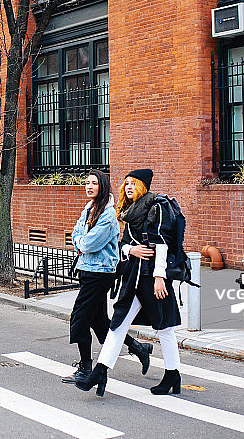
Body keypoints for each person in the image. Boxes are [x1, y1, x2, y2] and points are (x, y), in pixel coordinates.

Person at [76, 168, 182, 397]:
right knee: (118, 325)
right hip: (134, 277)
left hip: (153, 278)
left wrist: (160, 278)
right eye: (126, 183)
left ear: (143, 186)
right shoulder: (129, 211)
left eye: (134, 183)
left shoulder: (156, 207)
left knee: (165, 329)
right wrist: (131, 249)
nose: (129, 187)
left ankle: (173, 375)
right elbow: (123, 243)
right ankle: (100, 372)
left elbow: (162, 244)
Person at [63, 170, 152, 385]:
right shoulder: (90, 209)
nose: (89, 186)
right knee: (99, 322)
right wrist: (79, 241)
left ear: (102, 186)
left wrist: (79, 241)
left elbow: (87, 243)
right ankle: (138, 347)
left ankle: (85, 369)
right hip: (87, 270)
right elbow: (75, 234)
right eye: (87, 183)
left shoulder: (108, 215)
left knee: (79, 320)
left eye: (94, 183)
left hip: (99, 274)